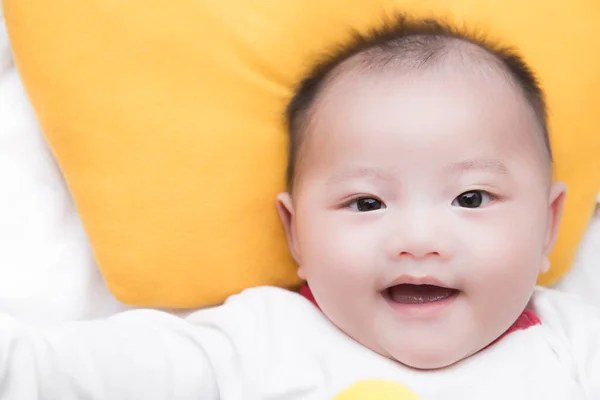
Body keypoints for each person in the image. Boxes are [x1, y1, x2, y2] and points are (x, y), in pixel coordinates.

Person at [0, 16, 598, 400]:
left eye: (471, 198)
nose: (419, 238)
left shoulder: (573, 344)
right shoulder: (258, 338)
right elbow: (58, 371)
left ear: (548, 227)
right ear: (296, 235)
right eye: (366, 202)